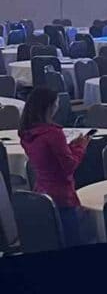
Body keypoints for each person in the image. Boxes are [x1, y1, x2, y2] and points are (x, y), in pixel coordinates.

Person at [17, 85, 89, 246]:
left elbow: (48, 159)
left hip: (42, 190)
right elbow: (68, 166)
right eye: (56, 103)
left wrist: (69, 147)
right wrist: (81, 147)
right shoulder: (53, 134)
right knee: (72, 240)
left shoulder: (27, 133)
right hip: (62, 195)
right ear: (49, 107)